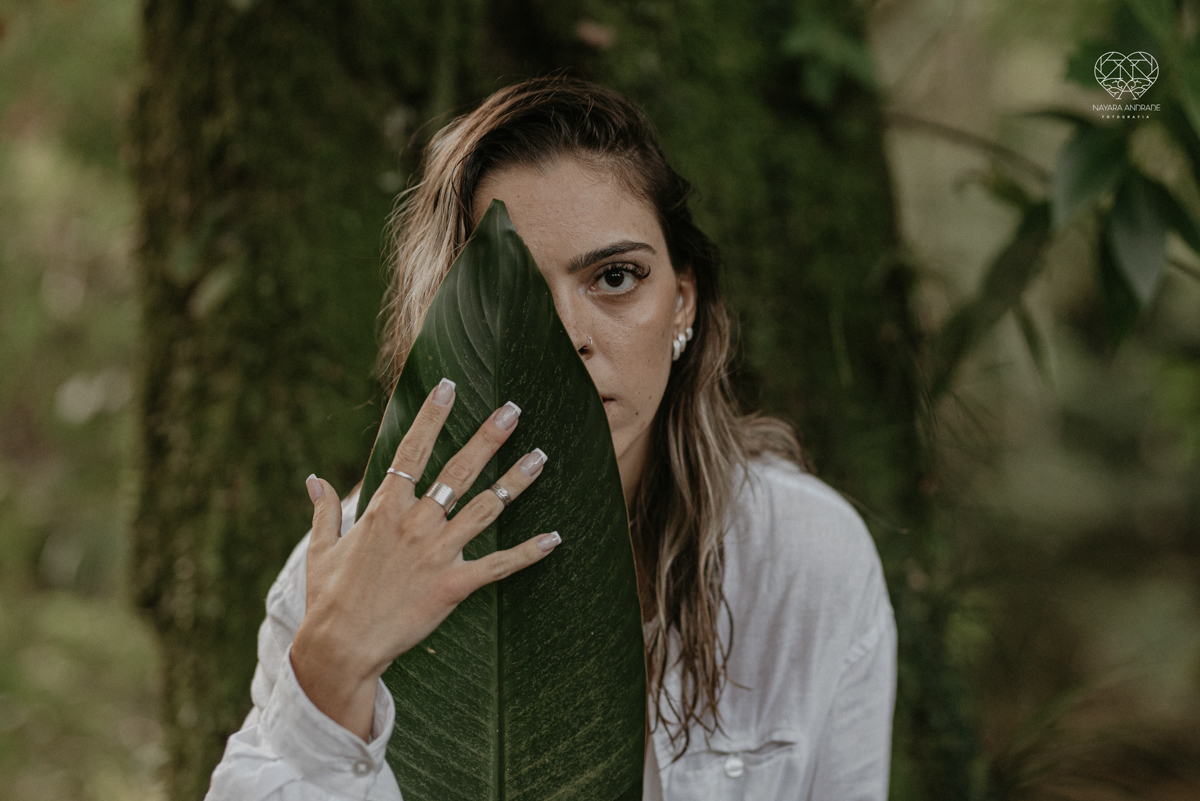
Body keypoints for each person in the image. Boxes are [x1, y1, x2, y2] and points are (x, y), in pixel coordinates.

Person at [205, 76, 896, 801]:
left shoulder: (806, 556)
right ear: (455, 328)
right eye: (515, 294)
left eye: (616, 276)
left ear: (683, 301)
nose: (567, 338)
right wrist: (332, 666)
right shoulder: (344, 569)